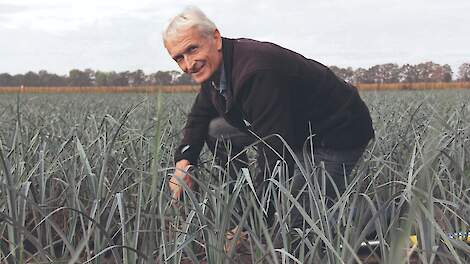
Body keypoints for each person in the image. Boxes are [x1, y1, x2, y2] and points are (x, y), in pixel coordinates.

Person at [163, 6, 374, 217]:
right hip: (295, 128)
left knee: (301, 223)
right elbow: (199, 117)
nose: (188, 64)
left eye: (192, 49)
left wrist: (253, 224)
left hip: (335, 131)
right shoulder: (214, 69)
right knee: (216, 130)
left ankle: (391, 216)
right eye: (179, 58)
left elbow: (275, 153)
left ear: (216, 38)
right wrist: (184, 161)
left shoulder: (255, 71)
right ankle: (240, 200)